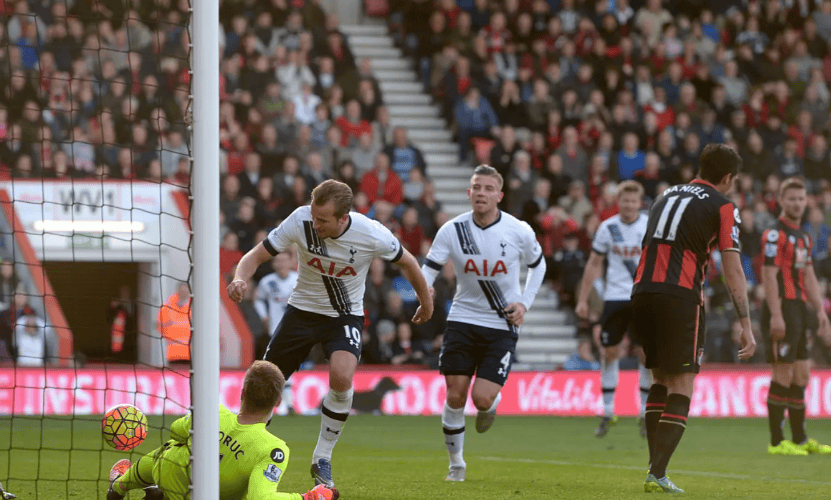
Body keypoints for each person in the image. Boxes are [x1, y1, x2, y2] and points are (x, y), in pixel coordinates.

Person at [227, 180, 432, 488]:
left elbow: (409, 263)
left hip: (344, 316)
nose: (315, 224)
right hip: (301, 311)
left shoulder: (371, 233)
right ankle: (240, 449)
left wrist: (426, 303)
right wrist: (240, 278)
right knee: (263, 381)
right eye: (314, 216)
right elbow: (255, 255)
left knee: (342, 375)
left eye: (323, 220)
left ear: (343, 218)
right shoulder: (300, 220)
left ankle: (322, 457)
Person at [631, 144, 756, 493]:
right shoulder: (723, 205)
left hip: (642, 290)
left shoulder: (665, 195)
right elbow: (732, 268)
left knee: (660, 379)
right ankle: (657, 472)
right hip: (680, 295)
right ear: (727, 177)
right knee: (683, 383)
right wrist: (746, 323)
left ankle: (654, 469)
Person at [420, 165, 546, 482]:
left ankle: (490, 406)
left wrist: (524, 303)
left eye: (488, 188)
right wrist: (425, 291)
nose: (481, 193)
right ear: (468, 193)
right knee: (455, 396)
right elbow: (430, 267)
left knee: (482, 398)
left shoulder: (518, 230)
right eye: (476, 187)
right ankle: (456, 465)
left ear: (499, 196)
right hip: (463, 319)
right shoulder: (453, 229)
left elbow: (539, 265)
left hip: (502, 323)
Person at [106, 361, 339, 500]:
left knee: (172, 448)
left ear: (242, 393)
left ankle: (119, 485)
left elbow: (176, 430)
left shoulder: (213, 412)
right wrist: (304, 497)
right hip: (210, 494)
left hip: (170, 474)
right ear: (278, 402)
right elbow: (261, 498)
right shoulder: (273, 449)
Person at [760, 177, 831, 456]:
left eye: (801, 199)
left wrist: (820, 310)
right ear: (781, 200)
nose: (797, 203)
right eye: (792, 199)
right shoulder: (774, 234)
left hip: (800, 308)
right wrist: (776, 315)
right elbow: (769, 275)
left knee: (801, 373)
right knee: (783, 371)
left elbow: (809, 274)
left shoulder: (804, 236)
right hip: (781, 306)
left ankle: (800, 439)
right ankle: (777, 442)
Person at [575, 181, 651, 438]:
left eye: (633, 201)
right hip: (615, 297)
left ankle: (645, 413)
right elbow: (594, 263)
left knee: (645, 354)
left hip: (642, 297)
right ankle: (608, 411)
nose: (629, 205)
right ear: (618, 202)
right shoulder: (608, 228)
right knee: (609, 352)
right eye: (625, 200)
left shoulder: (648, 226)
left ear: (639, 202)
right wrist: (583, 299)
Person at [157, 282, 191, 365]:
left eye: (186, 292)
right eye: (182, 291)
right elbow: (159, 326)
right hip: (173, 353)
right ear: (177, 291)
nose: (184, 294)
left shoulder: (193, 307)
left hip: (190, 354)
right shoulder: (167, 307)